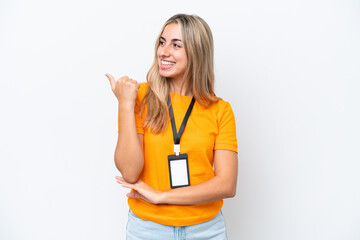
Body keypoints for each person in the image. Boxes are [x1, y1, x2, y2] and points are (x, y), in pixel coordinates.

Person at [106, 13, 238, 240]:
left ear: (197, 52)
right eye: (162, 42)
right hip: (148, 229)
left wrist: (161, 196)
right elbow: (129, 172)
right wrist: (125, 105)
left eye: (176, 45)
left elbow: (227, 184)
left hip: (206, 231)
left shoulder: (220, 110)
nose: (163, 52)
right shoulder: (138, 97)